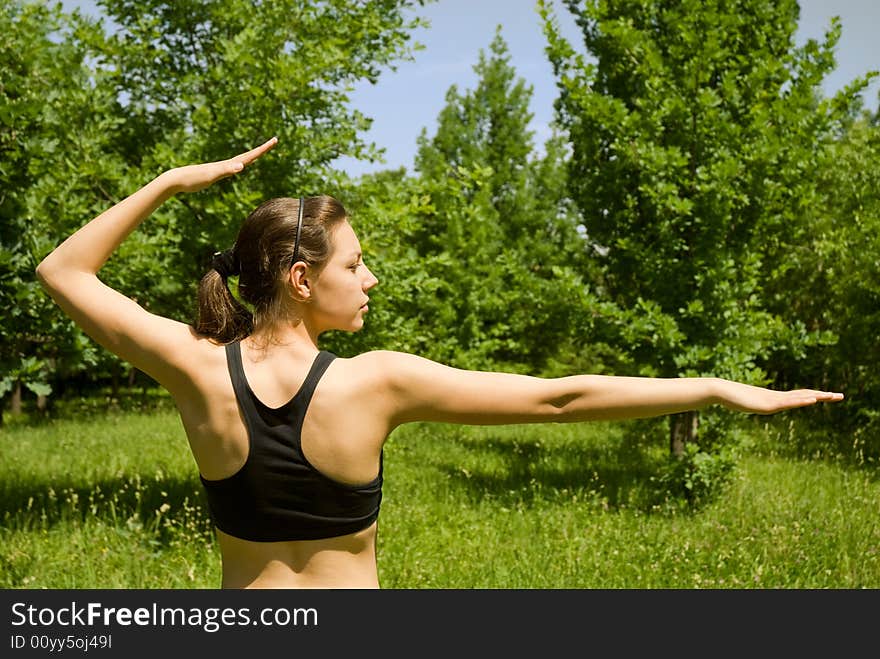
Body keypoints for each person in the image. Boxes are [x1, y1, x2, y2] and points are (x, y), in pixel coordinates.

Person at [35, 137, 844, 589]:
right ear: (303, 278)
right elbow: (558, 400)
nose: (372, 278)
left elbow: (63, 271)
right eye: (356, 265)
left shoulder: (195, 367)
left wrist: (174, 181)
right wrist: (715, 387)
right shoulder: (374, 381)